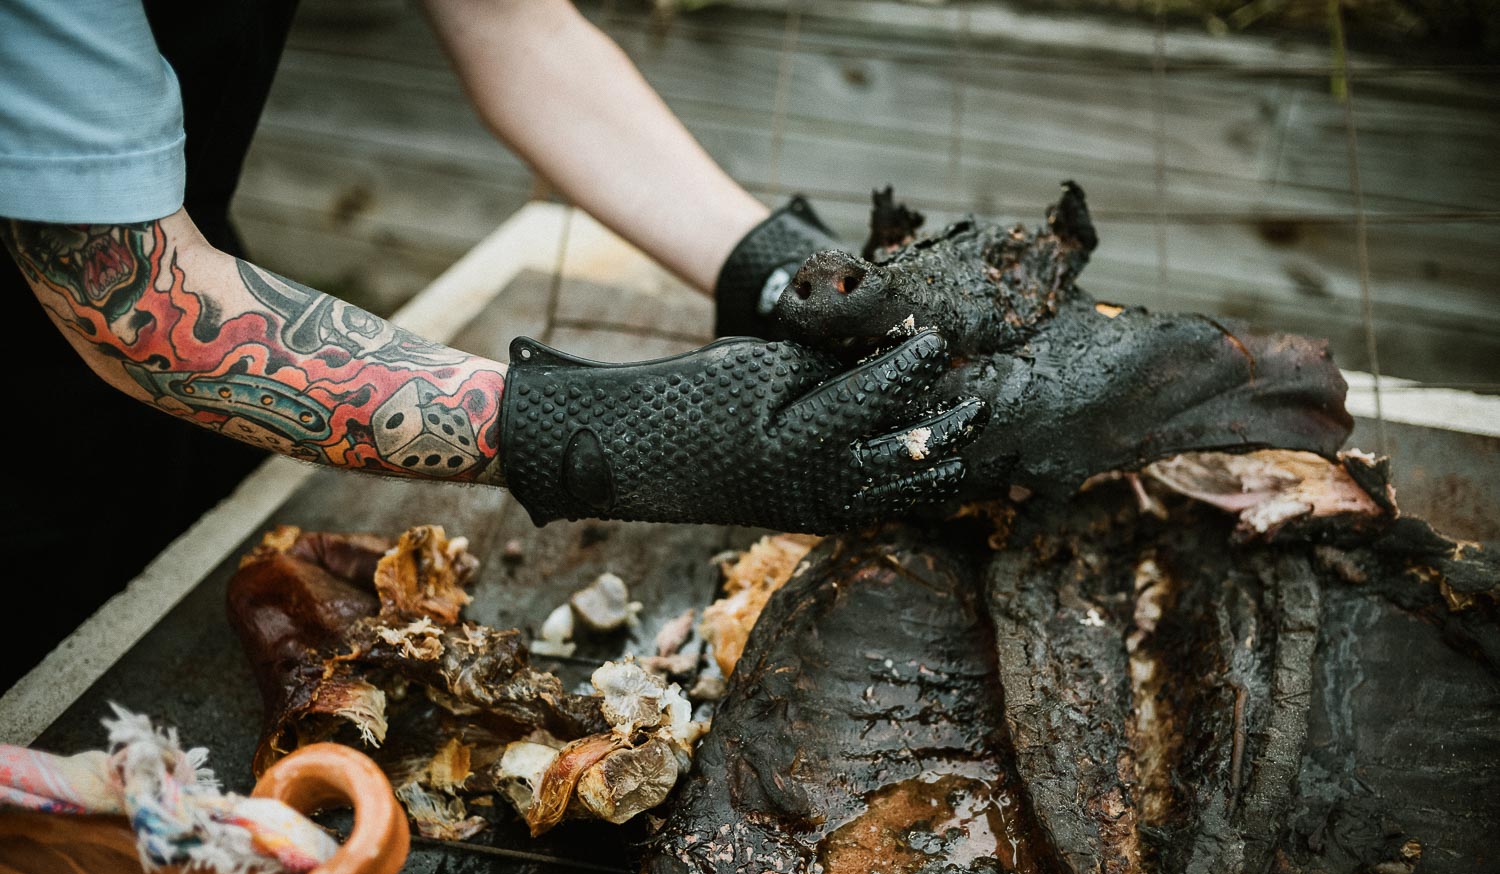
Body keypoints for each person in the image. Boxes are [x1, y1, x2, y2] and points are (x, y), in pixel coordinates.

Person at [0, 0, 986, 682]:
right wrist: (604, 430)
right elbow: (133, 294)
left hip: (205, 373)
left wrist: (782, 273)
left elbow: (518, 28)